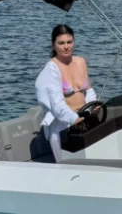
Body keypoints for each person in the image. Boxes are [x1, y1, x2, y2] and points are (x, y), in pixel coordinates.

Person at [35, 24, 97, 161]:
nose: (66, 46)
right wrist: (74, 119)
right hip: (63, 125)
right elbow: (56, 104)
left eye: (69, 42)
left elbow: (89, 90)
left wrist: (92, 107)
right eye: (61, 43)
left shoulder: (81, 62)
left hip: (83, 119)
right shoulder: (52, 69)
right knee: (67, 166)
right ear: (53, 45)